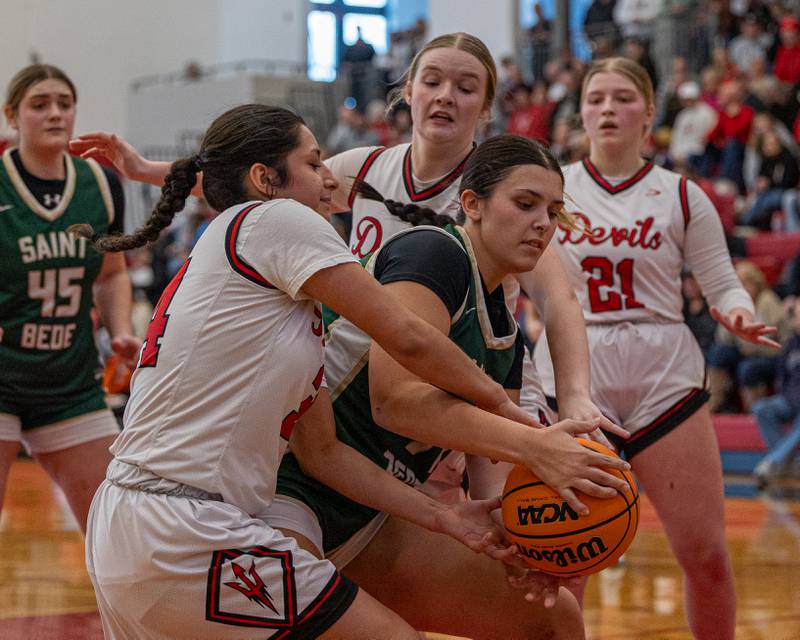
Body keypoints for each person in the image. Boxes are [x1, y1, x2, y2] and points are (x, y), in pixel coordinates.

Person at [76, 104, 565, 640]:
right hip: (188, 525)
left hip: (134, 520)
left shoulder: (276, 314)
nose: (331, 177)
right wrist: (513, 417)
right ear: (265, 180)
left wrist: (444, 517)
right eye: (313, 164)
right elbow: (406, 337)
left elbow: (326, 454)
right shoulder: (273, 219)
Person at [69, 32, 617, 461]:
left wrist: (574, 394)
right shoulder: (365, 166)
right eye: (432, 81)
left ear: (487, 107)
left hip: (467, 381)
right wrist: (145, 171)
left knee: (515, 536)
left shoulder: (502, 192)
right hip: (357, 384)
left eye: (466, 87)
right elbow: (260, 180)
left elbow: (559, 301)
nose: (446, 96)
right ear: (408, 91)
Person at [272, 135, 632, 639]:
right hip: (286, 486)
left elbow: (492, 485)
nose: (543, 224)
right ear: (472, 205)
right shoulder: (434, 252)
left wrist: (526, 545)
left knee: (552, 621)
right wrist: (538, 443)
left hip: (370, 511)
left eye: (553, 211)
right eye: (525, 204)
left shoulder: (503, 338)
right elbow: (394, 401)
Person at [532, 57, 779, 640]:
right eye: (596, 99)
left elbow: (720, 279)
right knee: (562, 564)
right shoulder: (549, 189)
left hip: (664, 374)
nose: (608, 109)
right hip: (573, 373)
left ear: (648, 113)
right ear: (581, 112)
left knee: (708, 558)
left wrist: (737, 309)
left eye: (623, 98)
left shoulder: (683, 194)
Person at [0, 64, 139, 534]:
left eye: (65, 102)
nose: (56, 113)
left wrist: (121, 330)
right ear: (12, 116)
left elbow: (112, 272)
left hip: (69, 378)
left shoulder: (99, 184)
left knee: (113, 528)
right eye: (40, 104)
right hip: (3, 371)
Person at [752, 296, 800, 486]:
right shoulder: (791, 344)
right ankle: (787, 464)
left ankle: (772, 463)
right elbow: (782, 376)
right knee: (763, 408)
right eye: (797, 316)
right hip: (790, 399)